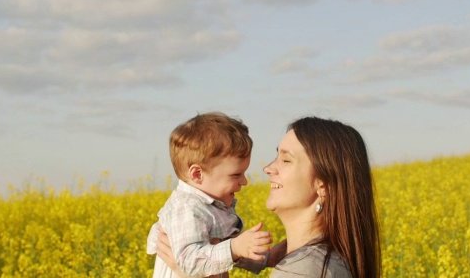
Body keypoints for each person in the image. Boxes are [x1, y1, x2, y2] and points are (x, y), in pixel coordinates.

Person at [156, 116, 382, 278]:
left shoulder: (305, 270)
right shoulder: (317, 261)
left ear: (322, 184)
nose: (267, 168)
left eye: (286, 159)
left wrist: (186, 273)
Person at [146, 112, 273, 278]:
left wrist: (266, 258)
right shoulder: (186, 208)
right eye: (236, 175)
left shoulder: (208, 206)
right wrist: (234, 247)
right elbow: (190, 262)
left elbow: (221, 250)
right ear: (198, 174)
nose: (244, 181)